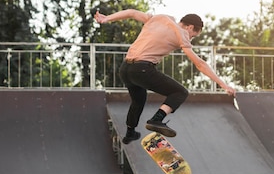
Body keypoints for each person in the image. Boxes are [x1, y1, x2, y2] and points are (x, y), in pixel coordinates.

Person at [94, 9, 236, 143]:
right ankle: (156, 120)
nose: (191, 39)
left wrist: (107, 18)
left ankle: (130, 132)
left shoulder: (160, 18)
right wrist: (224, 85)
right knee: (180, 92)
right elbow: (200, 64)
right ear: (190, 27)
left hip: (125, 69)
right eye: (194, 35)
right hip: (142, 70)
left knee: (138, 100)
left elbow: (132, 13)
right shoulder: (183, 34)